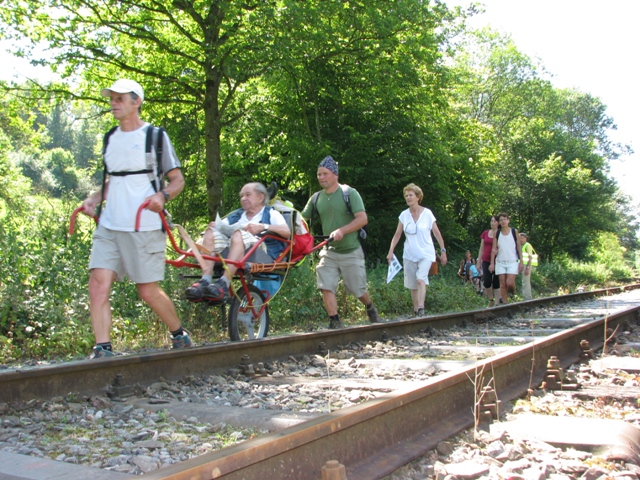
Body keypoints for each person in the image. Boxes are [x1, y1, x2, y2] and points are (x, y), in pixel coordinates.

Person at [81, 79, 190, 358]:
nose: (113, 104)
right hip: (109, 225)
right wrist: (94, 198)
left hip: (145, 225)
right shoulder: (110, 138)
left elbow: (177, 180)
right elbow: (113, 182)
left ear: (136, 101)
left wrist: (163, 197)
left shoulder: (155, 136)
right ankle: (103, 348)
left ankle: (179, 333)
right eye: (112, 99)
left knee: (147, 290)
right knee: (97, 283)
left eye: (119, 99)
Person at [301, 156, 382, 329]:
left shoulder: (349, 193)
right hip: (329, 251)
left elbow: (362, 219)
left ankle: (369, 307)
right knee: (325, 284)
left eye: (325, 174)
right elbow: (301, 220)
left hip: (351, 249)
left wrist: (342, 231)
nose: (321, 177)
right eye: (319, 174)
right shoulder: (316, 198)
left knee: (357, 289)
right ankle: (334, 321)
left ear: (335, 174)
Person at [185, 182, 291, 302]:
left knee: (238, 234)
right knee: (210, 232)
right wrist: (215, 226)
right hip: (235, 246)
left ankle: (224, 283)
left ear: (260, 197)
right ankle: (205, 280)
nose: (243, 198)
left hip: (261, 249)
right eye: (242, 196)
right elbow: (221, 228)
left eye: (248, 195)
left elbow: (286, 231)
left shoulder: (271, 213)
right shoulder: (237, 214)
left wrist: (263, 226)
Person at [386, 183, 448, 317]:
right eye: (406, 195)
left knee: (421, 279)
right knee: (413, 285)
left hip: (426, 253)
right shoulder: (403, 215)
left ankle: (421, 308)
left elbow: (437, 233)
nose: (408, 198)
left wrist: (443, 251)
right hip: (409, 254)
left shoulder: (427, 214)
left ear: (418, 197)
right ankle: (416, 311)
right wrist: (391, 251)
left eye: (410, 195)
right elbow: (397, 234)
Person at [490, 212, 524, 305]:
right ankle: (506, 304)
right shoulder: (497, 233)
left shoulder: (514, 231)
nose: (503, 221)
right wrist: (492, 263)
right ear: (499, 222)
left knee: (510, 283)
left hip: (512, 261)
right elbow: (494, 249)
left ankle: (512, 293)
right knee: (503, 284)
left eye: (505, 219)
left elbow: (518, 246)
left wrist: (521, 261)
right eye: (501, 220)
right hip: (500, 261)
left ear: (508, 220)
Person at [477, 215, 501, 307]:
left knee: (496, 282)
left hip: (497, 260)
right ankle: (491, 299)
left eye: (495, 221)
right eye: (491, 221)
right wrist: (479, 262)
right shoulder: (486, 233)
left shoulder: (500, 233)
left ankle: (497, 302)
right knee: (486, 281)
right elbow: (481, 248)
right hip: (486, 260)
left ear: (498, 223)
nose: (493, 223)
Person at [519, 232, 536, 300]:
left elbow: (530, 256)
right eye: (519, 238)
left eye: (522, 238)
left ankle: (527, 297)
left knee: (525, 281)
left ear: (525, 239)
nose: (520, 240)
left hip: (526, 265)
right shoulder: (519, 245)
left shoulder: (527, 245)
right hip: (520, 264)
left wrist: (528, 268)